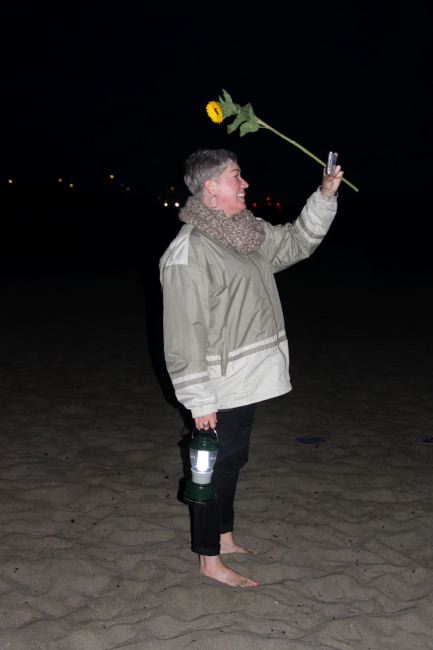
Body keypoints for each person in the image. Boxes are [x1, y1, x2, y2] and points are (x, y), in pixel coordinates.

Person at [159, 148, 343, 587]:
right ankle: (209, 560)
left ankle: (223, 539)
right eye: (236, 176)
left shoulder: (246, 234)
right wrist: (199, 400)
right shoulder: (189, 252)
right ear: (211, 188)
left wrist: (324, 195)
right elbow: (183, 334)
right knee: (211, 468)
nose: (245, 184)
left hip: (246, 378)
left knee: (232, 460)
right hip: (217, 384)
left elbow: (298, 242)